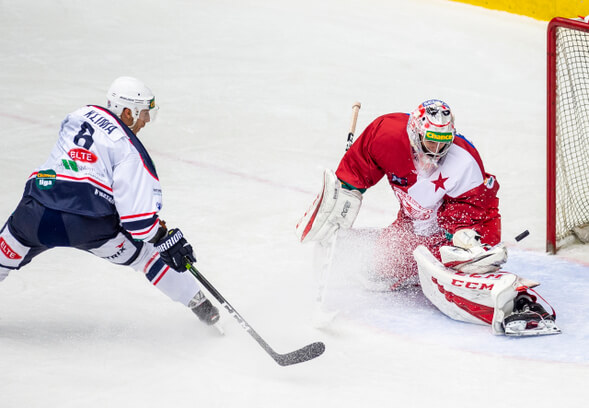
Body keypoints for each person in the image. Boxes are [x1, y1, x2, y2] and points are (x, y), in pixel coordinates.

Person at [296, 99, 560, 336]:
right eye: (430, 142)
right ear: (414, 133)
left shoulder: (464, 163)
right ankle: (398, 260)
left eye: (443, 143)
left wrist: (456, 244)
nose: (436, 151)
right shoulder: (385, 135)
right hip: (412, 227)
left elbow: (473, 212)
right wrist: (344, 195)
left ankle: (524, 303)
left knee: (454, 279)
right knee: (377, 270)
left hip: (465, 229)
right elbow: (356, 168)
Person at [0, 76, 219, 326]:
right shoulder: (130, 150)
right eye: (144, 113)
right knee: (147, 255)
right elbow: (138, 223)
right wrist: (162, 237)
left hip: (36, 212)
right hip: (86, 223)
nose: (146, 121)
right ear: (127, 112)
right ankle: (203, 307)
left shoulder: (81, 113)